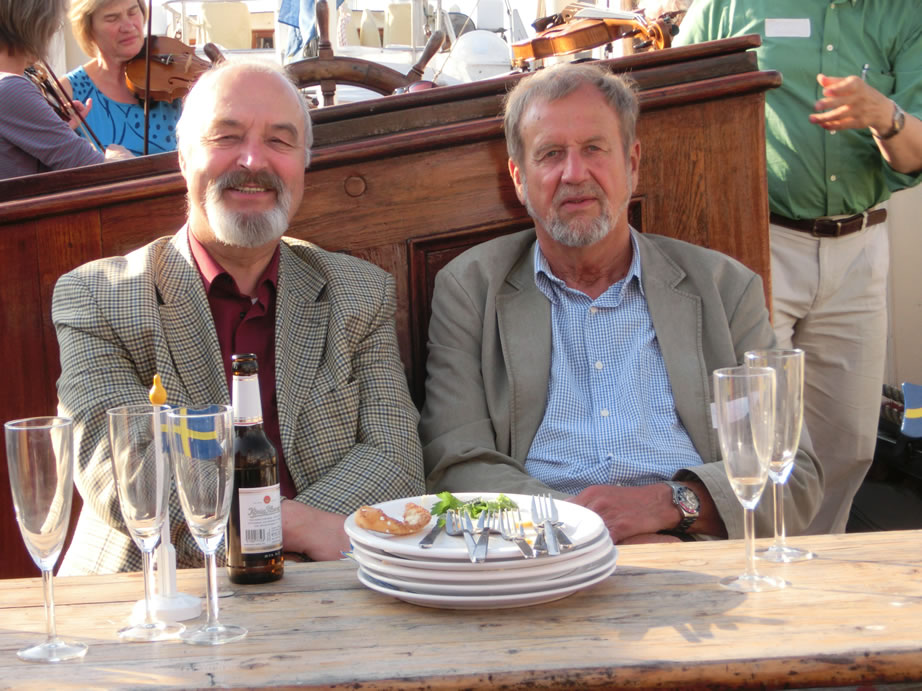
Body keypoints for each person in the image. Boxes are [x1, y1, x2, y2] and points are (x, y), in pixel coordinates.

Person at [419, 62, 822, 544]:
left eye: (594, 148)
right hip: (539, 553)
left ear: (631, 163)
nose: (574, 174)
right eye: (550, 154)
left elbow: (792, 474)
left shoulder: (725, 288)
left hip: (694, 551)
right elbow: (456, 465)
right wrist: (584, 532)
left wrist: (668, 507)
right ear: (519, 177)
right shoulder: (470, 290)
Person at [53, 57, 426, 575]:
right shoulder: (98, 297)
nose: (253, 160)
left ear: (303, 165)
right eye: (226, 137)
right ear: (183, 157)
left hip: (327, 594)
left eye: (279, 141)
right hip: (153, 597)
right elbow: (130, 477)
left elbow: (396, 461)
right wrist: (291, 528)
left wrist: (285, 546)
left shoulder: (360, 292)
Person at [674, 1, 922, 534]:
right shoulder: (725, 6)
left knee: (848, 444)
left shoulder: (905, 14)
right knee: (758, 432)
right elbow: (668, 103)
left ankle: (815, 563)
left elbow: (915, 154)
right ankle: (759, 561)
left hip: (860, 250)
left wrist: (886, 116)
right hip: (759, 244)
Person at [0, 0, 130, 180]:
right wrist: (119, 156)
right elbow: (95, 170)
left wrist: (55, 131)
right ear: (37, 24)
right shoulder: (11, 89)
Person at [63, 0, 183, 155]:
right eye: (112, 18)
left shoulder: (174, 80)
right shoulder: (67, 91)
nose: (128, 27)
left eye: (133, 12)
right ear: (88, 29)